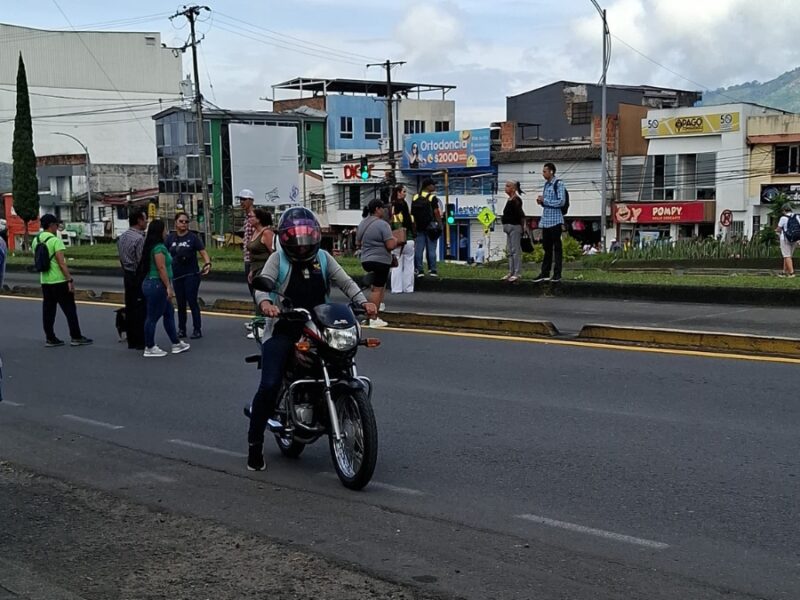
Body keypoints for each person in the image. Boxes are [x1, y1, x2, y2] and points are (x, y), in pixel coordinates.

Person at [246, 207, 377, 471]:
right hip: (284, 327)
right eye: (297, 237)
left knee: (341, 363)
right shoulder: (278, 259)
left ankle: (337, 409)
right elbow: (264, 285)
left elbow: (347, 282)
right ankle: (255, 445)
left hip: (319, 326)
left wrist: (364, 302)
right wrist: (266, 305)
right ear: (286, 238)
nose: (303, 243)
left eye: (307, 236)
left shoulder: (324, 258)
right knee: (270, 384)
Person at [32, 214, 92, 348]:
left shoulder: (36, 240)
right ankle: (76, 336)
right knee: (70, 309)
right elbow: (61, 263)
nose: (57, 228)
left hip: (45, 280)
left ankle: (50, 338)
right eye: (56, 225)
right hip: (59, 280)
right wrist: (69, 279)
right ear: (51, 225)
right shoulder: (55, 240)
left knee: (48, 310)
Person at [139, 219, 191, 357]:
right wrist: (168, 287)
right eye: (164, 229)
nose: (166, 232)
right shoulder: (158, 248)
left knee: (168, 313)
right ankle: (149, 346)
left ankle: (176, 343)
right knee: (152, 317)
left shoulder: (152, 246)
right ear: (159, 231)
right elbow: (161, 268)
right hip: (157, 284)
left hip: (153, 283)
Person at [166, 211, 211, 339]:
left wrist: (208, 263)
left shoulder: (192, 238)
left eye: (186, 222)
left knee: (192, 301)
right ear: (175, 222)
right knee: (180, 303)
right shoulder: (170, 238)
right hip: (176, 275)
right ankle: (181, 329)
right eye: (181, 221)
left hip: (191, 274)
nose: (184, 224)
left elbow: (203, 252)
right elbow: (164, 253)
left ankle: (197, 329)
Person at [356, 199, 396, 327]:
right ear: (378, 209)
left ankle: (369, 317)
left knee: (375, 287)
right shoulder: (383, 225)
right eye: (383, 208)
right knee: (377, 289)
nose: (384, 211)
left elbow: (358, 242)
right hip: (381, 260)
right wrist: (396, 240)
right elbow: (389, 245)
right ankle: (373, 317)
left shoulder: (363, 223)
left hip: (366, 259)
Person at [117, 209, 147, 349]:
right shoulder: (139, 239)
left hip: (127, 274)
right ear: (139, 220)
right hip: (137, 275)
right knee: (140, 308)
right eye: (145, 219)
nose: (146, 222)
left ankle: (132, 340)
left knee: (130, 306)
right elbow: (141, 260)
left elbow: (121, 258)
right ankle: (141, 340)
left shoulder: (122, 237)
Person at [534, 162, 566, 283]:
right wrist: (541, 202)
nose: (543, 174)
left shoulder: (559, 184)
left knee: (557, 247)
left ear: (551, 171)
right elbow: (546, 202)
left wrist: (545, 201)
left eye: (545, 171)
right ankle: (545, 272)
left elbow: (561, 202)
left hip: (556, 220)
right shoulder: (546, 185)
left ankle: (557, 273)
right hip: (546, 220)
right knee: (546, 248)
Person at [411, 177, 442, 278]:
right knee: (431, 249)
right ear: (428, 186)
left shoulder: (415, 197)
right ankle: (432, 270)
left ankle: (419, 270)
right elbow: (436, 212)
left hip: (419, 227)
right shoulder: (432, 198)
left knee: (419, 250)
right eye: (433, 185)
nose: (434, 186)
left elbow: (413, 214)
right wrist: (440, 224)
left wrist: (414, 227)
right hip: (431, 227)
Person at [390, 184, 415, 294]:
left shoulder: (393, 209)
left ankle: (396, 288)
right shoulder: (407, 209)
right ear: (398, 193)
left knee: (396, 265)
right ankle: (408, 288)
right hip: (409, 240)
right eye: (404, 191)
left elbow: (393, 225)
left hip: (397, 241)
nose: (405, 193)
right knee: (409, 265)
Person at [501, 180, 525, 283]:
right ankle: (511, 272)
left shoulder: (516, 200)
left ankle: (517, 273)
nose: (505, 188)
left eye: (508, 186)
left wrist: (522, 227)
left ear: (513, 188)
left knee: (515, 251)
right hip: (508, 228)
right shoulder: (509, 200)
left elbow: (520, 215)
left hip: (514, 227)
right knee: (510, 252)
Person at [246, 208, 276, 283]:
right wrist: (252, 270)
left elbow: (274, 254)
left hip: (264, 269)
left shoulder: (267, 233)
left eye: (251, 217)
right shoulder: (255, 232)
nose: (249, 219)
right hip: (254, 269)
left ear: (258, 219)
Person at [776, 203, 799, 277]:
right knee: (788, 256)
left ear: (784, 210)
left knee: (787, 256)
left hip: (785, 238)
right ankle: (784, 272)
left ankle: (791, 273)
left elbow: (779, 228)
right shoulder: (797, 216)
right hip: (795, 237)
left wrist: (775, 231)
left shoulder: (783, 218)